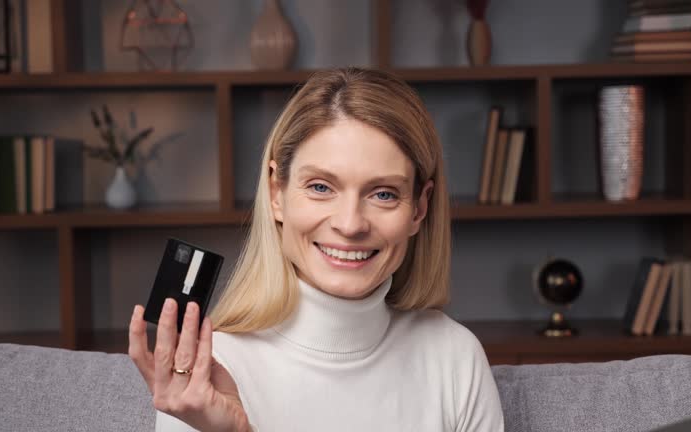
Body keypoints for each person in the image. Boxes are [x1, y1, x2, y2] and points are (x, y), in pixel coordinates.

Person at [128, 67, 505, 432]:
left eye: (384, 194)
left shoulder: (454, 358)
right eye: (321, 187)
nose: (350, 223)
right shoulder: (206, 372)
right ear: (277, 193)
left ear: (419, 208)